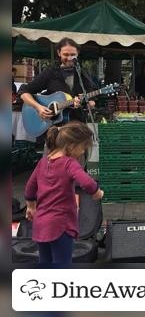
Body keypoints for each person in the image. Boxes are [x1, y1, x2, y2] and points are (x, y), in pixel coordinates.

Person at [24, 121, 104, 264]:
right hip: (60, 226)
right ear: (72, 146)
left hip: (41, 224)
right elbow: (86, 182)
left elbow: (30, 187)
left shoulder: (43, 162)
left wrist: (31, 206)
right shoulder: (69, 163)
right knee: (62, 266)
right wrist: (96, 192)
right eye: (83, 148)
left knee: (45, 264)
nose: (83, 152)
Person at [20, 37, 97, 125]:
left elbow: (91, 99)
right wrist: (38, 107)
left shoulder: (83, 74)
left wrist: (89, 105)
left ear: (78, 54)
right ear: (59, 53)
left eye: (73, 54)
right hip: (52, 127)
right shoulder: (51, 72)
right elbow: (24, 91)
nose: (69, 58)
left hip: (77, 126)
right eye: (66, 54)